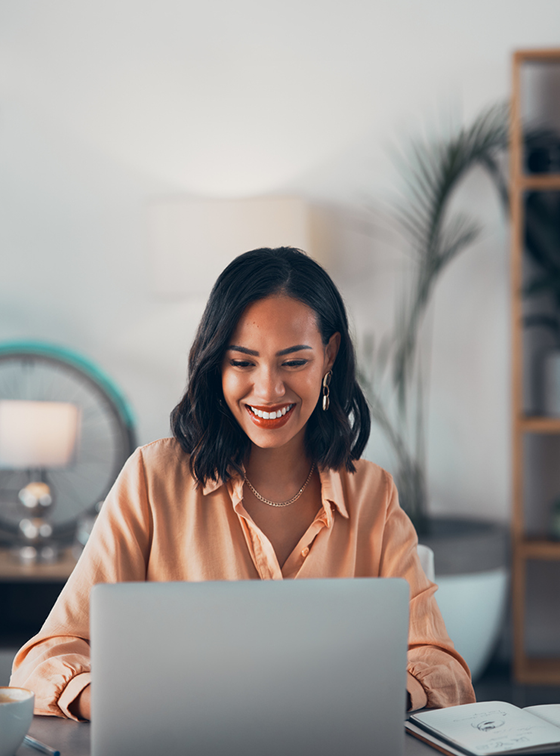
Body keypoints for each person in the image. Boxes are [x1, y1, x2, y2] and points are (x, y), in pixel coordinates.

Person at [11, 247, 475, 720]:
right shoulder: (151, 479)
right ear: (216, 364)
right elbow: (45, 659)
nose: (268, 389)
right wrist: (119, 701)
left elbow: (441, 666)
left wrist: (369, 697)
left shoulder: (373, 495)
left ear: (329, 355)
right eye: (243, 362)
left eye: (293, 362)